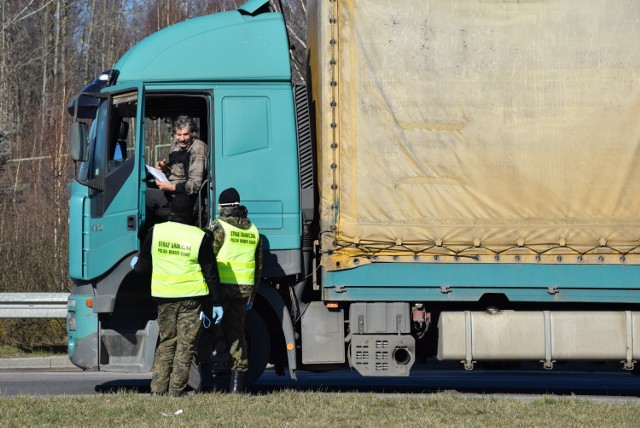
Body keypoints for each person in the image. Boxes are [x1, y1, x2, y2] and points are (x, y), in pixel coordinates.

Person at [133, 193, 222, 397]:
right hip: (192, 299)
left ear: (171, 212)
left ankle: (157, 389)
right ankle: (177, 391)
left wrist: (136, 265)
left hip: (165, 298)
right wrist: (217, 302)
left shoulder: (155, 232)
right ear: (189, 214)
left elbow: (142, 269)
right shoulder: (199, 236)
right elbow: (211, 273)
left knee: (166, 342)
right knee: (186, 346)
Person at [205, 187, 263, 393]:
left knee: (210, 334)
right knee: (237, 335)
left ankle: (209, 384)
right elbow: (258, 267)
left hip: (220, 291)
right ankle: (237, 388)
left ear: (221, 206)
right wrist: (252, 294)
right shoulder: (253, 229)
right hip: (242, 292)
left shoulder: (218, 227)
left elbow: (207, 258)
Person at [146, 115, 209, 223]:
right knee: (144, 186)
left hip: (185, 197)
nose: (182, 139)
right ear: (174, 134)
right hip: (173, 188)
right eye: (178, 135)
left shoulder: (198, 148)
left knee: (145, 195)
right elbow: (175, 172)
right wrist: (164, 169)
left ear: (192, 133)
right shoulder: (175, 145)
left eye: (186, 134)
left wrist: (170, 188)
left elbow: (194, 185)